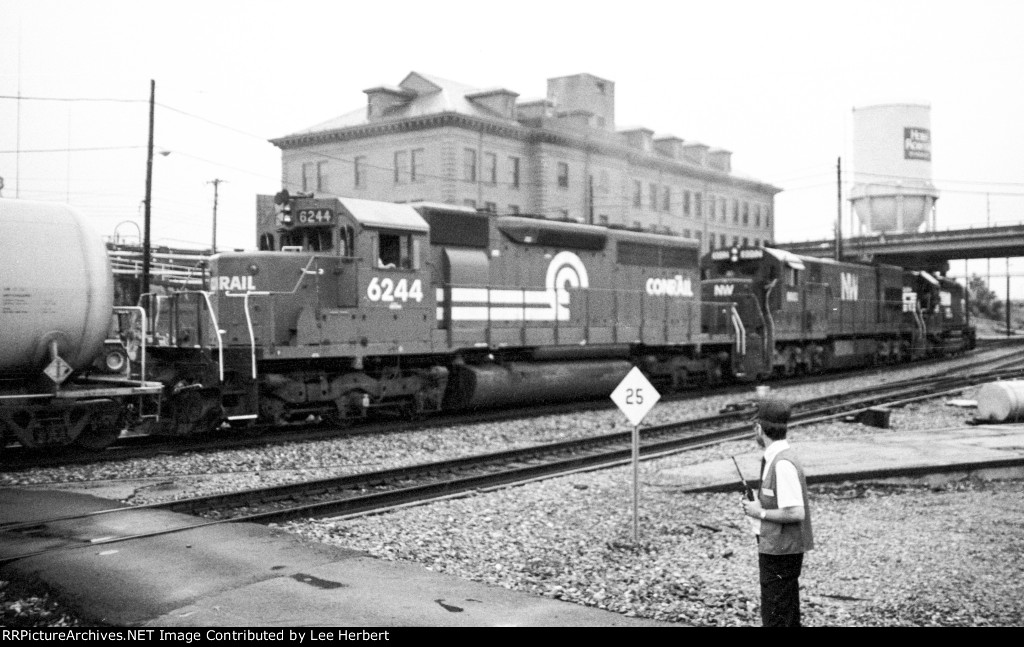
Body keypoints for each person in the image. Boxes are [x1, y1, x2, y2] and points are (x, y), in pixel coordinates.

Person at [741, 397, 814, 627]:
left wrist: (758, 513)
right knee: (783, 614)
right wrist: (759, 503)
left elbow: (796, 513)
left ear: (759, 428)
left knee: (777, 617)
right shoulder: (778, 459)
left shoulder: (782, 464)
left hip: (781, 552)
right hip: (778, 547)